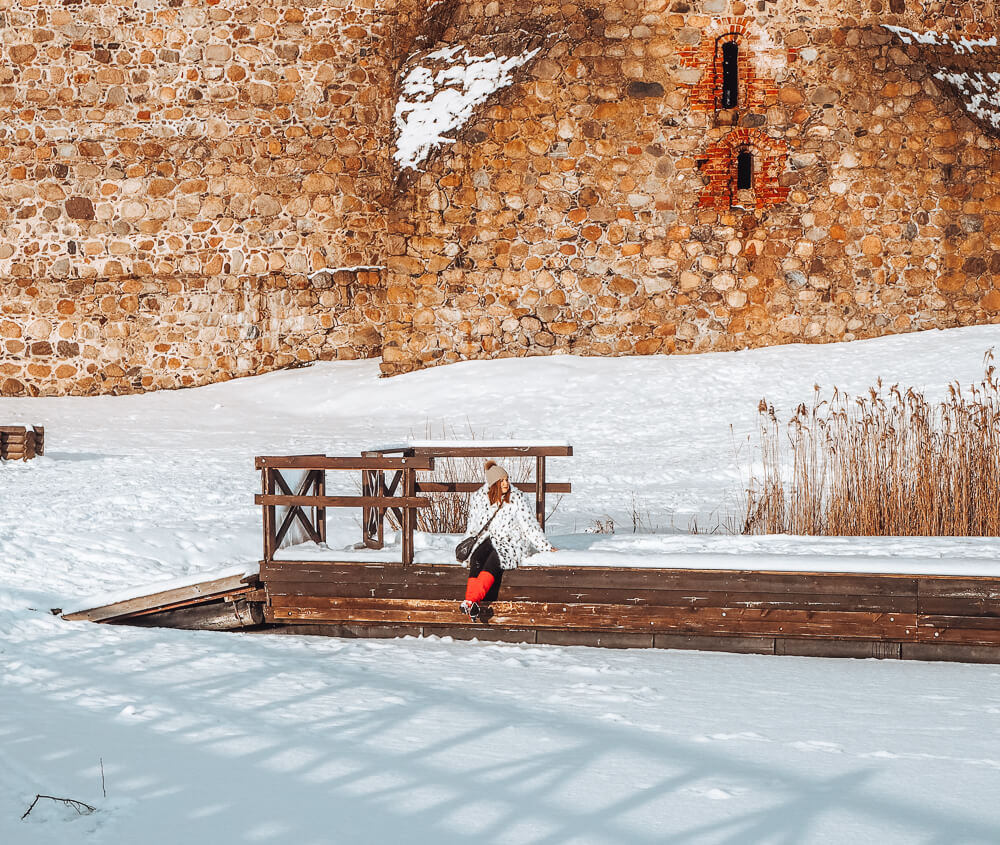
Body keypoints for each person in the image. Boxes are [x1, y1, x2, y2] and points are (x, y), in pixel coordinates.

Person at [460, 460, 556, 619]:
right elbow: (473, 526)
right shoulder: (480, 498)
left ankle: (471, 600)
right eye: (502, 480)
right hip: (490, 538)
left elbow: (529, 526)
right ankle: (471, 601)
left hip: (512, 541)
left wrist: (545, 546)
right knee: (476, 558)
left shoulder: (517, 498)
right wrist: (466, 548)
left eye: (507, 479)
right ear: (494, 484)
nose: (506, 483)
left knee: (494, 561)